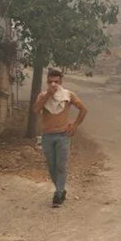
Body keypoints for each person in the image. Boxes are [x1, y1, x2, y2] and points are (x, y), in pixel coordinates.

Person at [33, 68, 88, 208]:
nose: (53, 84)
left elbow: (83, 109)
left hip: (63, 135)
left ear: (60, 81)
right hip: (47, 136)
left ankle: (58, 194)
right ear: (47, 81)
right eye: (50, 81)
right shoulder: (42, 96)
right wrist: (47, 96)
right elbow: (35, 110)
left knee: (61, 165)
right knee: (52, 166)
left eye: (56, 81)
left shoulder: (68, 95)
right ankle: (61, 189)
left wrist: (75, 125)